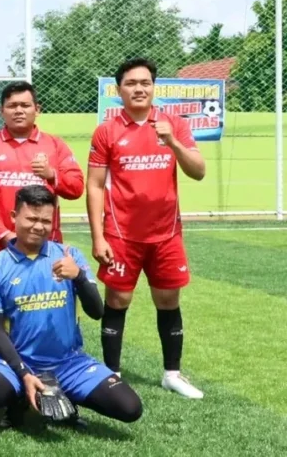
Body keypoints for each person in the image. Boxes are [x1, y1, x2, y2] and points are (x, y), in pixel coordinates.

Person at [0, 185, 142, 431]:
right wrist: (23, 372)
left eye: (46, 220)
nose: (39, 226)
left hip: (69, 363)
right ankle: (21, 399)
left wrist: (78, 276)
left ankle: (65, 395)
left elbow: (97, 311)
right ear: (14, 218)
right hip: (16, 362)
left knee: (130, 408)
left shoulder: (68, 256)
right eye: (32, 218)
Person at [88, 58, 206, 399]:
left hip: (166, 233)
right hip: (121, 234)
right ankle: (112, 373)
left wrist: (174, 143)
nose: (139, 88)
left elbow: (198, 171)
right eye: (131, 83)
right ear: (119, 89)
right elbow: (95, 186)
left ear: (154, 87)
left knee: (168, 299)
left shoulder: (174, 125)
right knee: (118, 298)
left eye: (145, 82)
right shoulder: (107, 131)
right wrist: (98, 236)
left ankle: (172, 373)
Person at [0, 81, 84, 263]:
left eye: (25, 105)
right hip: (0, 247)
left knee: (49, 292)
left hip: (47, 246)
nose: (19, 110)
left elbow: (76, 188)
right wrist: (3, 234)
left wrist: (52, 175)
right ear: (2, 111)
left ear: (37, 109)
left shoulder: (55, 145)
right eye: (12, 106)